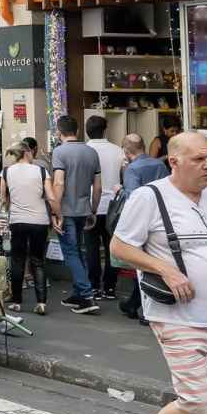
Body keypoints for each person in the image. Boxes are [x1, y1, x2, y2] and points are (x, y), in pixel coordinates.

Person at [111, 133, 207, 414]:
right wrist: (165, 269)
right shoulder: (149, 197)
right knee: (197, 404)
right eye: (199, 159)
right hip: (177, 319)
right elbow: (119, 247)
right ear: (174, 162)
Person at [49, 115, 103, 315]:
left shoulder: (59, 152)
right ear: (77, 131)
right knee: (78, 251)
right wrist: (94, 209)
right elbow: (97, 187)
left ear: (59, 132)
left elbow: (59, 183)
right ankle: (79, 293)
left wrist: (56, 211)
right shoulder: (91, 152)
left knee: (71, 252)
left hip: (67, 210)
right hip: (84, 209)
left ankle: (87, 295)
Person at [119, 132, 170, 323]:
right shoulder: (158, 164)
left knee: (141, 264)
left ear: (126, 151)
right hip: (162, 218)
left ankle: (145, 309)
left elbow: (132, 198)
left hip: (143, 221)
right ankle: (133, 303)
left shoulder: (132, 169)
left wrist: (119, 190)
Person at [1, 142, 51, 315]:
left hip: (17, 220)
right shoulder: (41, 171)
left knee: (17, 260)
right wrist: (57, 215)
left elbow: (3, 200)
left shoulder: (6, 172)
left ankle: (16, 301)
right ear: (28, 152)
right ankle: (41, 302)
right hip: (40, 221)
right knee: (38, 261)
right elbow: (50, 196)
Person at [84, 114, 125, 301]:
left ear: (86, 130)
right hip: (113, 206)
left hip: (91, 204)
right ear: (105, 129)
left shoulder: (85, 151)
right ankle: (110, 287)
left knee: (91, 248)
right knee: (112, 248)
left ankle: (93, 287)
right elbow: (124, 176)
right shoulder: (118, 150)